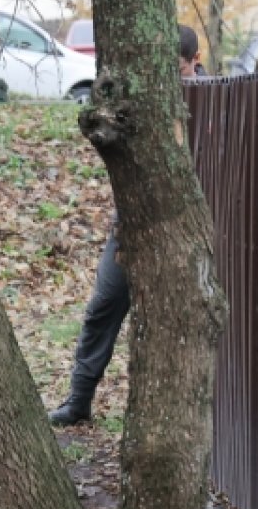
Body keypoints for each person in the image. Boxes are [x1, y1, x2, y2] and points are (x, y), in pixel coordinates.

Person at [49, 24, 206, 426]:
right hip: (132, 222)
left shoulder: (213, 99)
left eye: (178, 70)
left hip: (191, 225)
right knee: (103, 307)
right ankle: (79, 400)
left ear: (195, 63)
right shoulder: (139, 99)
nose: (169, 81)